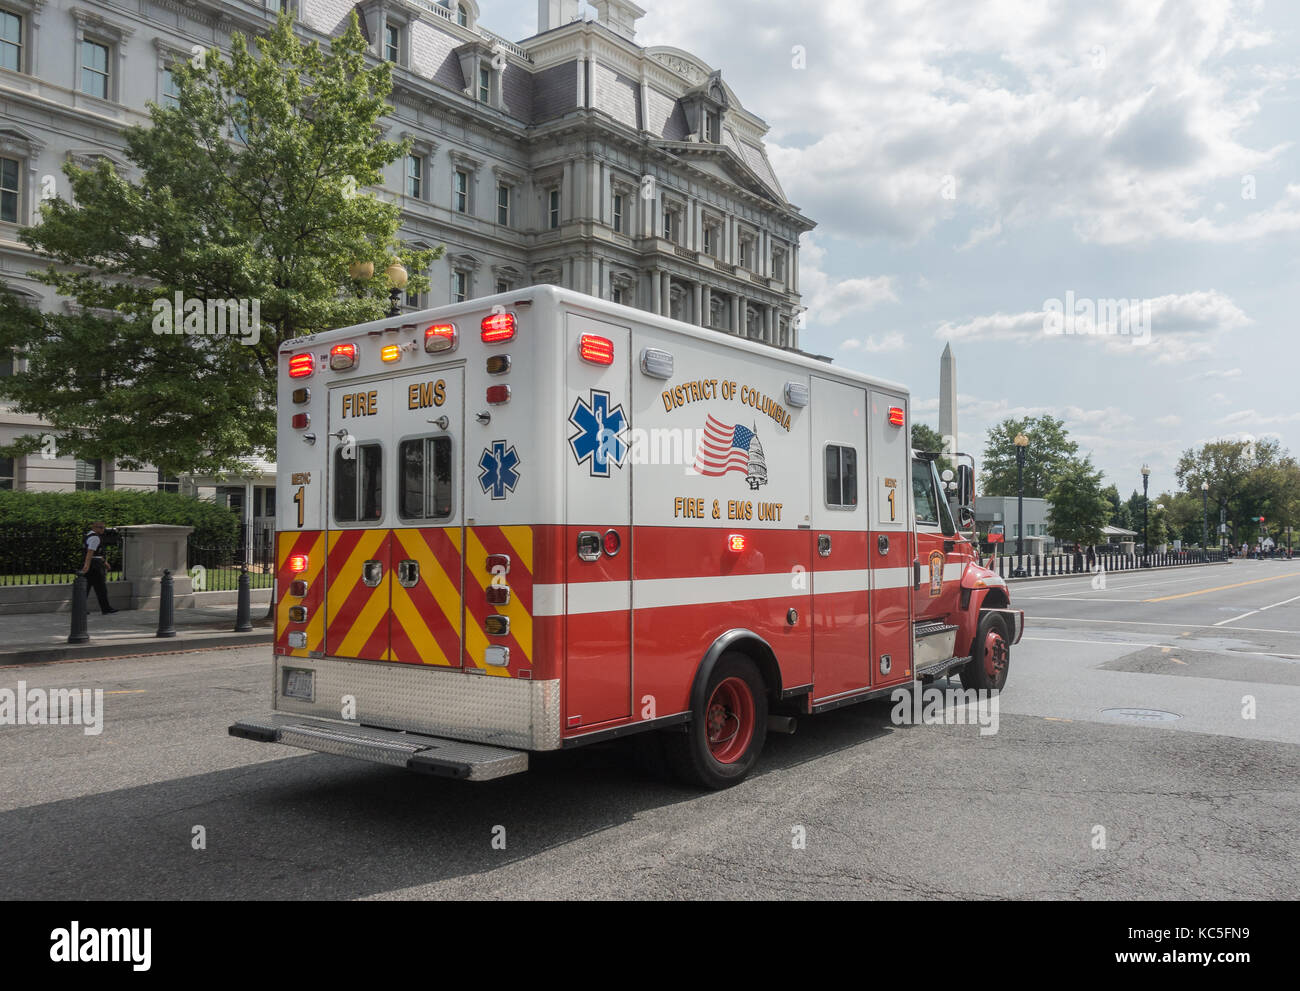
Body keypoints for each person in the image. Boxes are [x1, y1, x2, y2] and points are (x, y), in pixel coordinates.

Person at [78, 521, 118, 614]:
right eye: (100, 527)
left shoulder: (87, 535)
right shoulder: (95, 538)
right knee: (101, 589)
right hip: (94, 567)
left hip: (92, 565)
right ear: (94, 528)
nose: (103, 529)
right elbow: (90, 553)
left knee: (87, 588)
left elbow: (94, 554)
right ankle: (106, 608)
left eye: (103, 527)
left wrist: (105, 562)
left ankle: (80, 608)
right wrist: (87, 565)